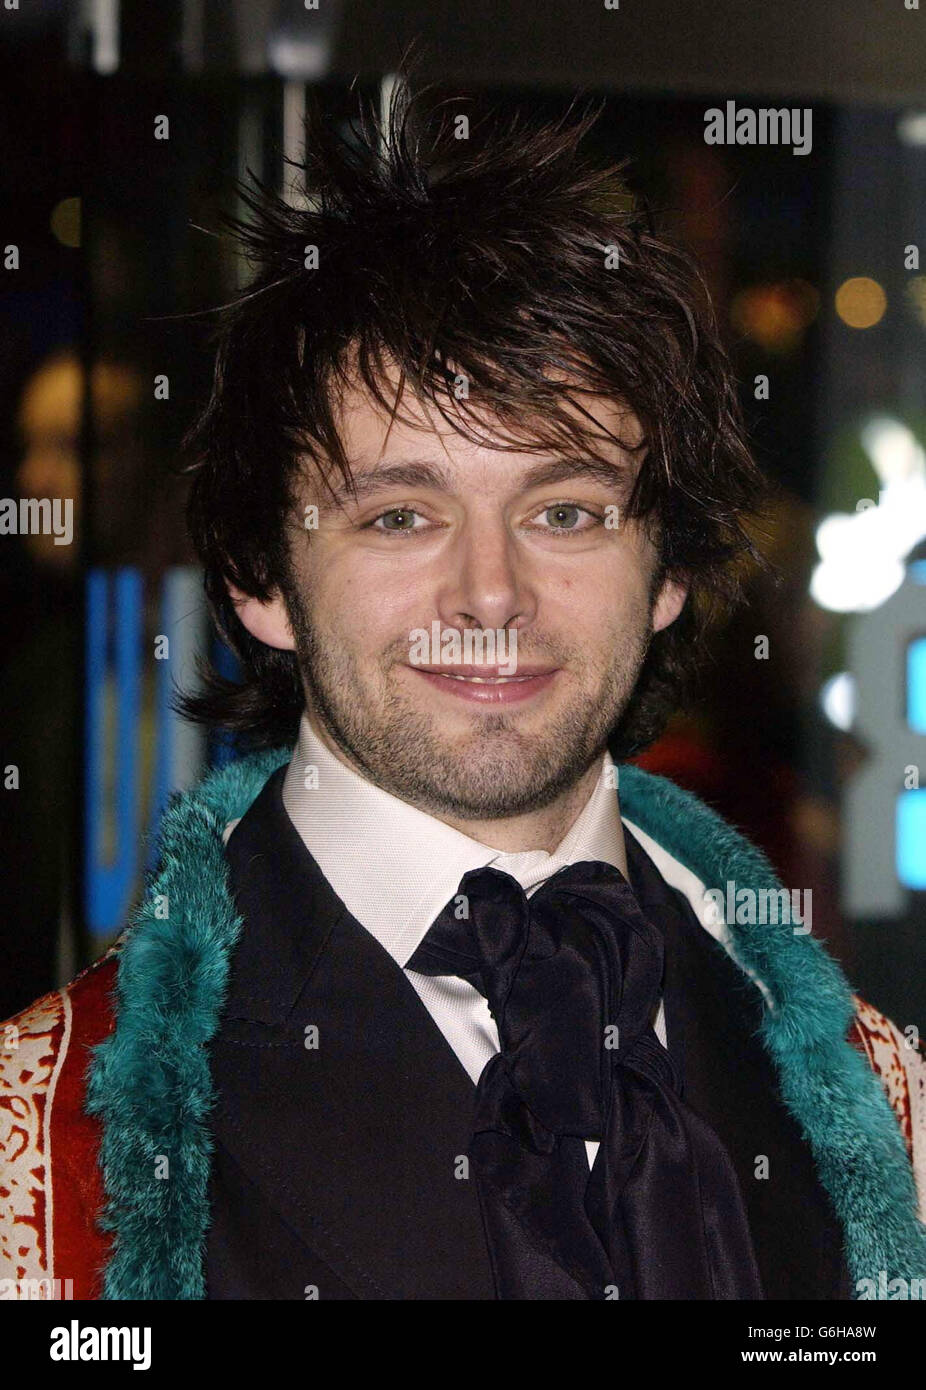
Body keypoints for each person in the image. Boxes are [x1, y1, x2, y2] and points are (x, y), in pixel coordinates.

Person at [2, 86, 924, 1302]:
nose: (489, 592)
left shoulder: (881, 1101)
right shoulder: (42, 1141)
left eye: (564, 511)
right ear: (257, 576)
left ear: (669, 570)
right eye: (399, 514)